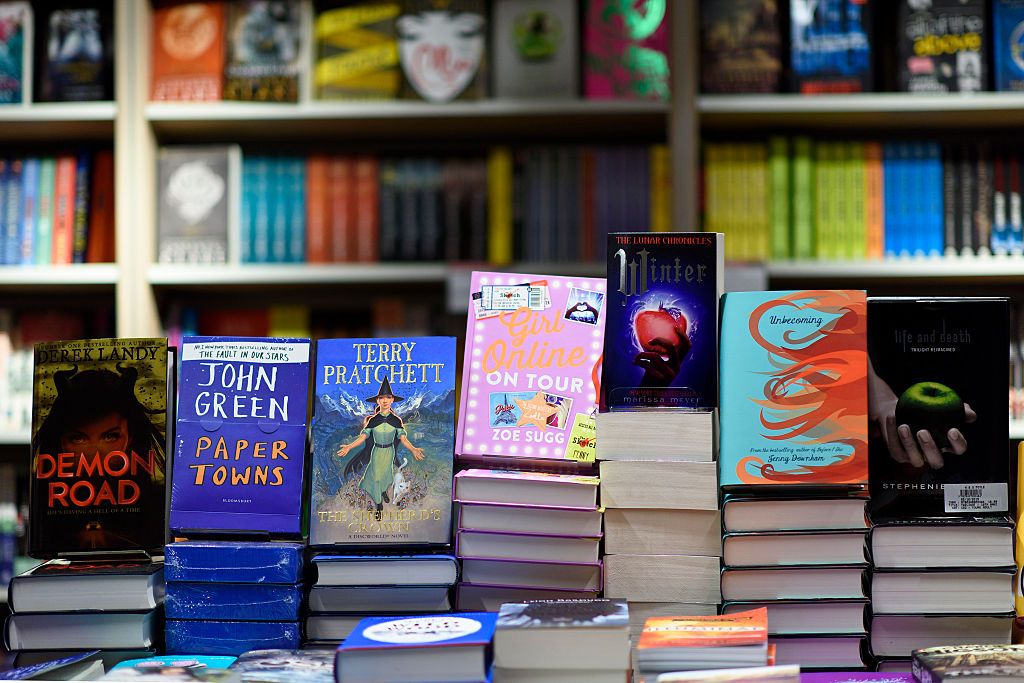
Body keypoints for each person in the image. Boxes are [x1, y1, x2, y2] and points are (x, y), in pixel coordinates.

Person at [32, 364, 166, 551]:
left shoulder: (159, 506)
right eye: (78, 438)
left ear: (131, 435)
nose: (95, 453)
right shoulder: (42, 509)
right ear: (60, 440)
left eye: (110, 436)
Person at [336, 377, 425, 519]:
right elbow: (363, 437)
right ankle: (379, 504)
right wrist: (349, 446)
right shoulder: (373, 420)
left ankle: (383, 492)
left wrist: (413, 449)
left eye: (388, 397)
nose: (384, 400)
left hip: (389, 452)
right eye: (381, 397)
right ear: (378, 400)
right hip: (376, 452)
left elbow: (403, 438)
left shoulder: (396, 420)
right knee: (376, 477)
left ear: (392, 400)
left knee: (387, 476)